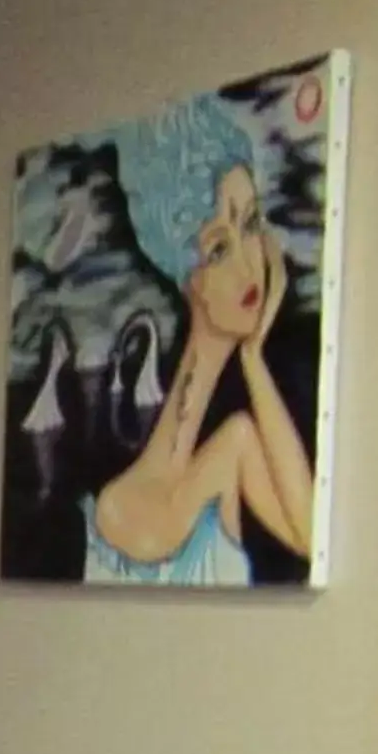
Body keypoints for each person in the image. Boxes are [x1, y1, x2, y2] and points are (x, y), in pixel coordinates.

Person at [84, 94, 318, 586]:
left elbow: (311, 538)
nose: (247, 263)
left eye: (251, 224)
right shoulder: (114, 508)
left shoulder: (235, 447)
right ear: (186, 276)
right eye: (218, 248)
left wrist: (253, 359)